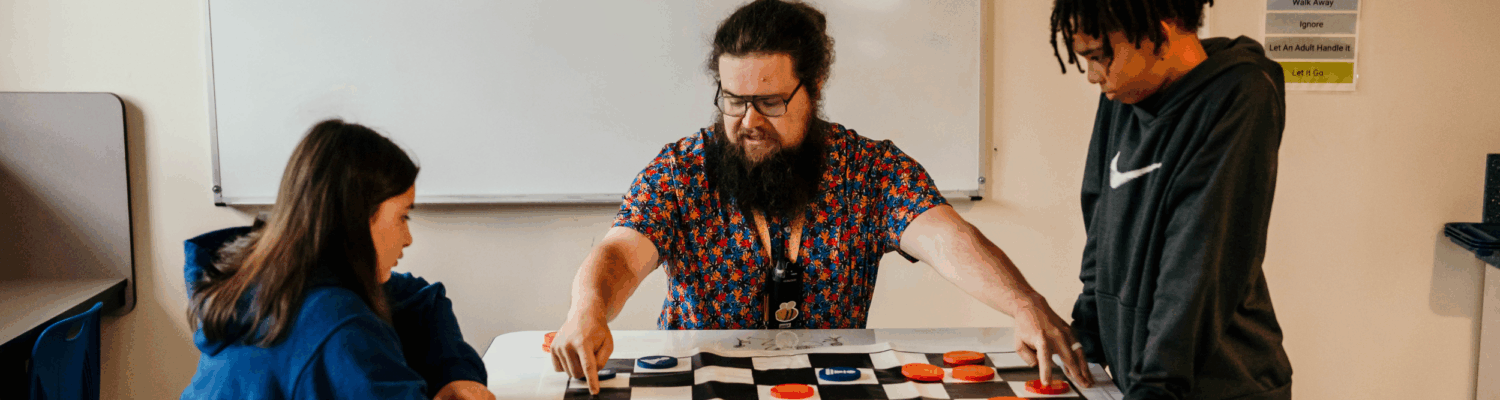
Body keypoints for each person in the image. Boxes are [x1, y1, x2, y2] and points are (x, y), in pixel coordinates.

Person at [551, 0, 1094, 394]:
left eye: (769, 102)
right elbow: (620, 254)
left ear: (813, 89)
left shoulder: (870, 169)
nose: (747, 122)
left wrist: (1026, 305)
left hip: (832, 387)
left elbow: (946, 236)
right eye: (733, 100)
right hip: (705, 385)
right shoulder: (681, 170)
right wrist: (587, 309)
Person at [1050, 0, 1294, 398]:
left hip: (1218, 385)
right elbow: (1101, 221)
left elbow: (1200, 253)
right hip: (1147, 379)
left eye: (1098, 57)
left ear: (1159, 30)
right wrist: (1087, 332)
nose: (1094, 76)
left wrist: (1157, 384)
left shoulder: (1240, 94)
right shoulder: (1123, 95)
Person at [181, 120, 492, 400]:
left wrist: (454, 371)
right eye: (402, 216)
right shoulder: (339, 326)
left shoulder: (268, 283)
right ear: (357, 218)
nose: (407, 238)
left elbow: (422, 299)